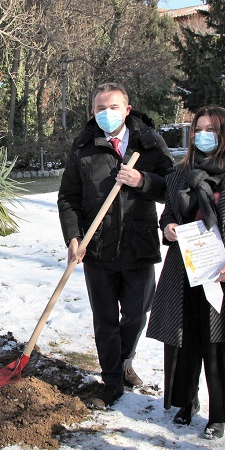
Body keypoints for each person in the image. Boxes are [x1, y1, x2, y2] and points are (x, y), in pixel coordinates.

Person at [147, 106, 225, 439]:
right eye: (198, 128)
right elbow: (168, 215)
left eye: (211, 129)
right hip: (183, 271)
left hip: (224, 274)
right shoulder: (178, 175)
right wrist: (169, 228)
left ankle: (218, 415)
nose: (203, 135)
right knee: (184, 341)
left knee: (218, 343)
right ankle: (186, 402)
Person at [57, 82, 174, 409]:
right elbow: (68, 198)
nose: (106, 114)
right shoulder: (84, 148)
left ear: (127, 109)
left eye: (113, 107)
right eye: (99, 108)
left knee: (136, 314)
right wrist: (73, 237)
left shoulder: (148, 144)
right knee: (105, 319)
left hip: (139, 246)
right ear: (93, 112)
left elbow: (173, 188)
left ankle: (124, 360)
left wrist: (143, 181)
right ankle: (111, 381)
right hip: (97, 249)